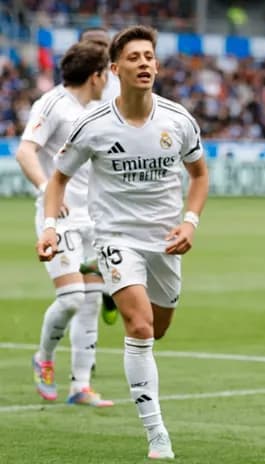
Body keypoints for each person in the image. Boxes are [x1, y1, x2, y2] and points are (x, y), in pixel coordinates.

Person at [37, 25, 210, 460]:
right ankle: (157, 435)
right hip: (114, 237)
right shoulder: (92, 126)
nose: (145, 64)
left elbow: (200, 176)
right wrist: (51, 229)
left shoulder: (179, 119)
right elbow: (58, 180)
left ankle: (118, 293)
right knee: (140, 328)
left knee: (160, 326)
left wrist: (190, 223)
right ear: (115, 69)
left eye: (149, 57)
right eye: (134, 58)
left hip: (165, 241)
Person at [17, 41, 114, 407]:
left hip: (93, 219)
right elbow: (26, 150)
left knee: (90, 301)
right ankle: (43, 357)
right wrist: (47, 192)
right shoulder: (53, 104)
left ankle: (81, 386)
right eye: (106, 74)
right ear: (96, 75)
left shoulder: (93, 110)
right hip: (59, 220)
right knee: (72, 298)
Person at [77, 26, 121, 325]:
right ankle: (85, 358)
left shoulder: (118, 83)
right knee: (77, 288)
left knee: (112, 247)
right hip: (79, 176)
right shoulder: (75, 82)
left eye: (102, 45)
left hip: (109, 176)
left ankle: (109, 288)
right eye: (91, 45)